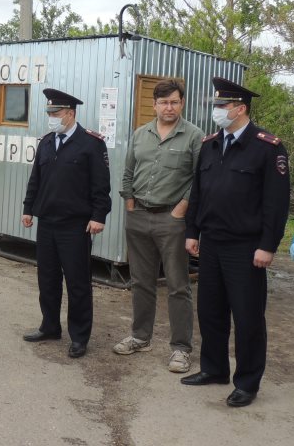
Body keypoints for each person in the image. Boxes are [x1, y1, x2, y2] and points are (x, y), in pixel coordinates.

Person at [181, 77, 290, 408]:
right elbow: (198, 192)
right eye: (216, 106)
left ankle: (247, 382)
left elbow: (276, 202)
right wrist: (192, 232)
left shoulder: (267, 147)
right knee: (211, 311)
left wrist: (268, 245)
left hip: (246, 247)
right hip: (211, 241)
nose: (216, 111)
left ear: (240, 109)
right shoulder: (211, 143)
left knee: (247, 317)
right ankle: (214, 369)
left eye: (221, 106)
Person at [114, 78, 203, 372]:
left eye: (174, 101)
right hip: (138, 216)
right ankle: (140, 337)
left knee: (178, 286)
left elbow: (200, 180)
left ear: (182, 103)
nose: (169, 107)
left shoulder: (194, 136)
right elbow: (128, 171)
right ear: (154, 105)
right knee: (141, 281)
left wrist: (181, 209)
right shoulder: (141, 134)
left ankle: (180, 348)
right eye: (164, 102)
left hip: (172, 220)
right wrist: (129, 203)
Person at [20, 88, 111, 358]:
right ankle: (49, 326)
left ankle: (79, 336)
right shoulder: (46, 142)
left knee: (77, 282)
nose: (51, 117)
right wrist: (28, 209)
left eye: (55, 113)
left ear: (70, 114)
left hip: (75, 225)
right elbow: (35, 179)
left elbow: (101, 186)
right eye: (48, 112)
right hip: (47, 222)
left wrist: (98, 216)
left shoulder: (91, 144)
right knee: (47, 279)